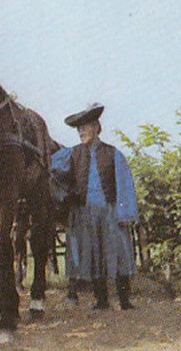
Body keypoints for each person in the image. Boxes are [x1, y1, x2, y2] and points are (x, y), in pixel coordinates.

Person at [50, 104, 138, 310]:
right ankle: (101, 301)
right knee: (94, 255)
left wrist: (124, 212)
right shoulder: (71, 154)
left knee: (118, 253)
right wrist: (63, 196)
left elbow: (124, 183)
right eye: (78, 129)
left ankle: (125, 301)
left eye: (85, 128)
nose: (81, 132)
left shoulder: (113, 154)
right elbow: (51, 169)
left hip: (109, 211)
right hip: (84, 212)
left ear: (96, 127)